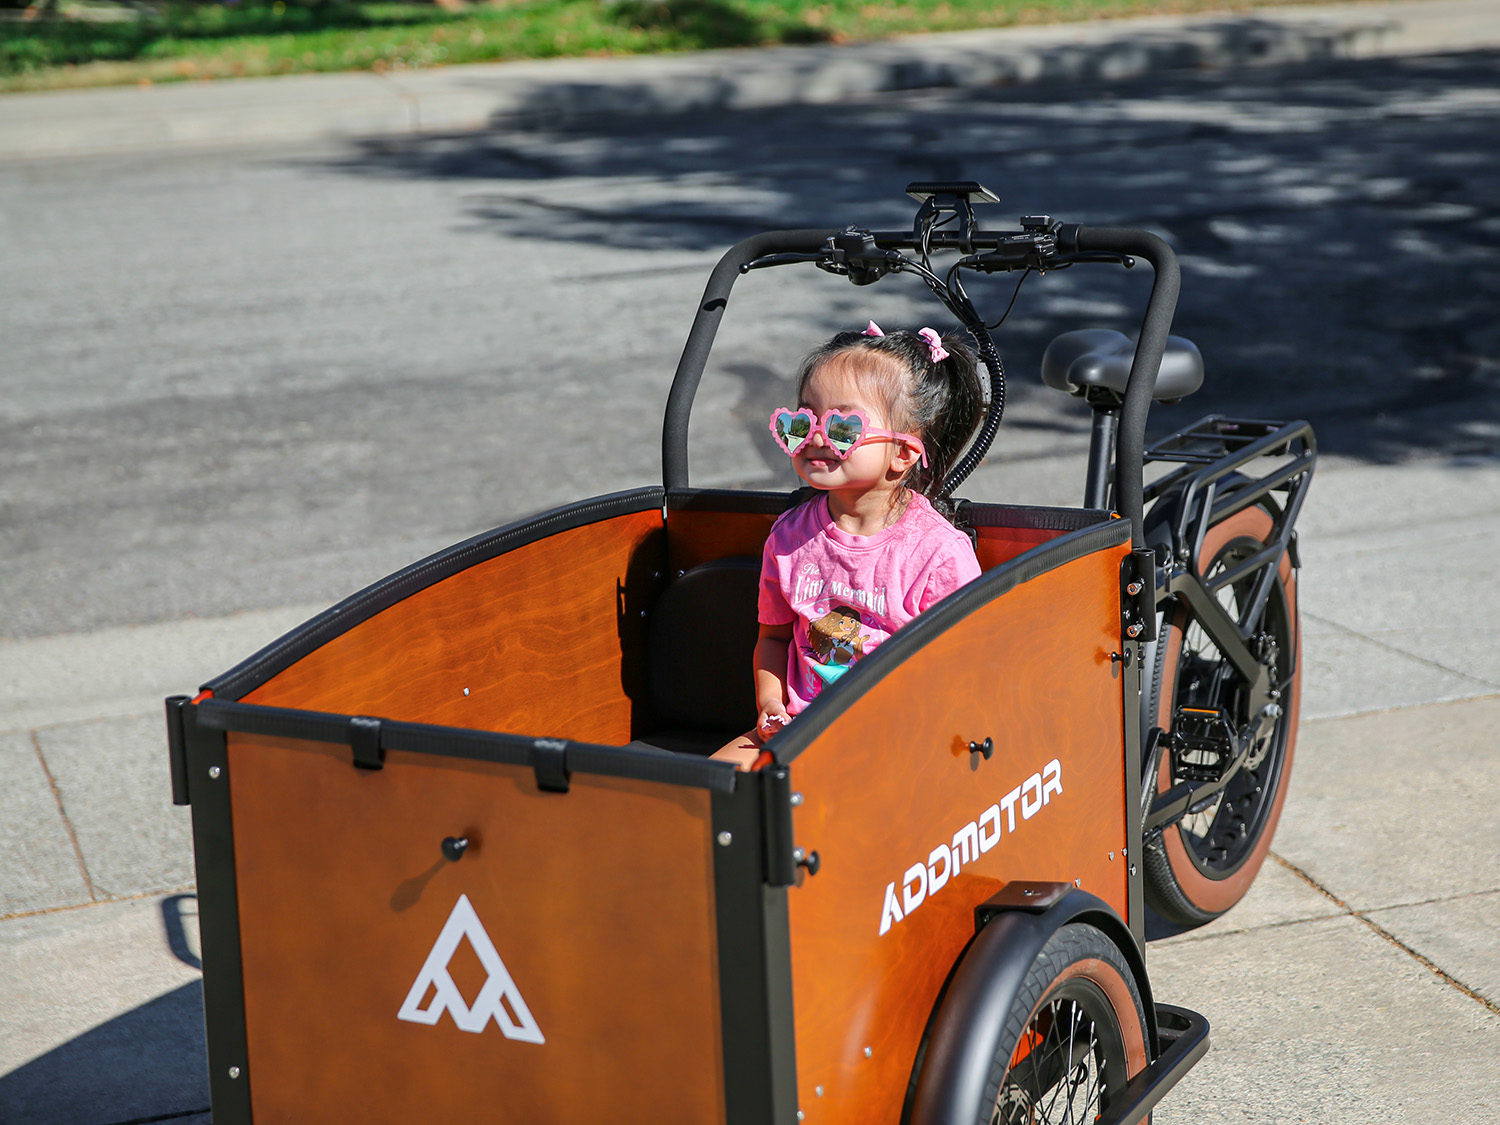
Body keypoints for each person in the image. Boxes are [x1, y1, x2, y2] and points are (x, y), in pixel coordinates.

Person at [711, 322, 986, 769]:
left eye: (842, 428)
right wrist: (770, 704)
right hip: (798, 728)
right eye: (802, 421)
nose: (816, 437)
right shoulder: (789, 537)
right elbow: (775, 638)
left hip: (896, 742)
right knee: (708, 790)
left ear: (902, 454)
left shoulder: (936, 555)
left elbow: (959, 672)